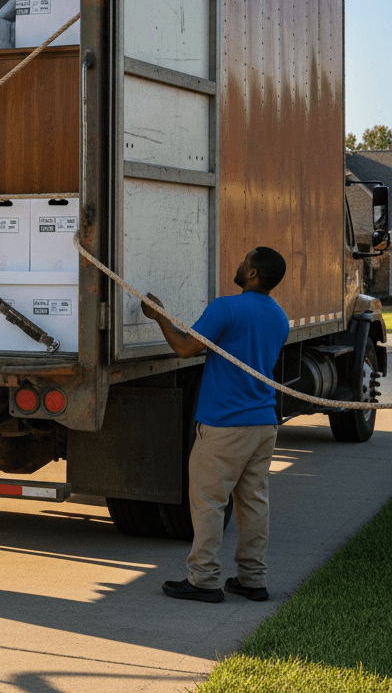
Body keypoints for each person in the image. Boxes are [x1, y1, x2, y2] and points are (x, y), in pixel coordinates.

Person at [141, 246, 288, 603]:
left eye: (244, 260)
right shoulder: (279, 316)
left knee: (208, 501)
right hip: (263, 423)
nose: (239, 264)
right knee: (253, 502)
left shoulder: (226, 307)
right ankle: (253, 580)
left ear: (252, 274)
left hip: (225, 425)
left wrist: (159, 316)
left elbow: (186, 348)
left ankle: (204, 580)